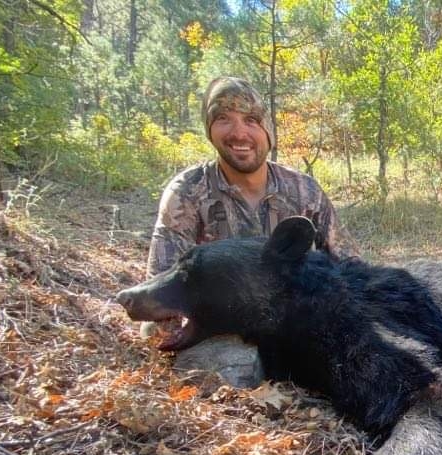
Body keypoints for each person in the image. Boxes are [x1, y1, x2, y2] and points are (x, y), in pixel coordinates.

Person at [141, 76, 358, 386]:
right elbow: (162, 289)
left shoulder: (303, 190)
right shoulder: (188, 191)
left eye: (251, 120)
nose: (239, 132)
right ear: (209, 129)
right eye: (223, 119)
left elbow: (349, 265)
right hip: (222, 327)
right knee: (177, 342)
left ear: (267, 130)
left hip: (295, 321)